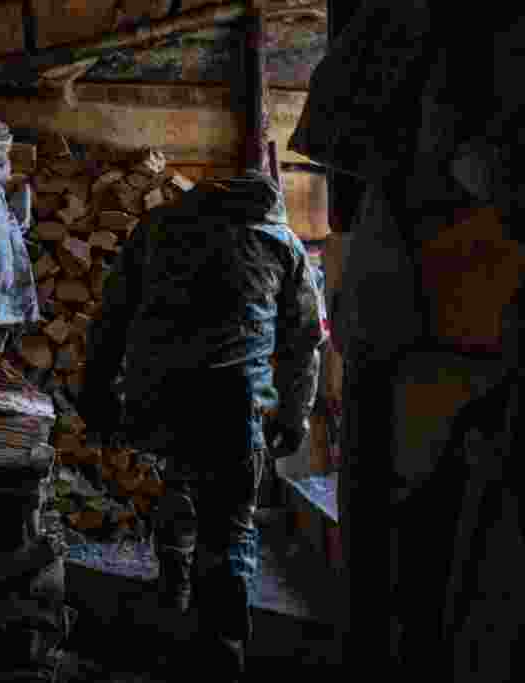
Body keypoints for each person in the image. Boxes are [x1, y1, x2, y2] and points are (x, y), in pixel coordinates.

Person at [77, 170, 327, 681]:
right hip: (230, 406)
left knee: (179, 480)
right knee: (229, 530)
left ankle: (171, 601)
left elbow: (112, 316)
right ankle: (221, 653)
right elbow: (304, 343)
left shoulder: (159, 226)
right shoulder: (281, 242)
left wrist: (97, 392)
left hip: (157, 397)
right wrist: (295, 415)